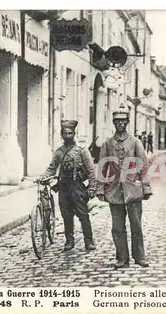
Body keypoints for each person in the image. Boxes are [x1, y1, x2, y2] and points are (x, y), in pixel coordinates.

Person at [96, 110, 152, 268]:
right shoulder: (107, 143)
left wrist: (146, 187)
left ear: (127, 122)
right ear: (114, 123)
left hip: (132, 188)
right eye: (117, 121)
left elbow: (143, 165)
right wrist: (100, 188)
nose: (120, 124)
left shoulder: (135, 142)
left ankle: (139, 256)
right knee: (117, 227)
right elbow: (102, 167)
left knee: (136, 224)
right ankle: (122, 258)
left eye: (123, 121)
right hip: (114, 190)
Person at [42, 120, 97, 251]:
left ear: (74, 133)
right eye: (65, 133)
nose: (67, 136)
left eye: (70, 133)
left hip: (77, 186)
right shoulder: (59, 152)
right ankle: (69, 240)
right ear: (61, 134)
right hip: (63, 186)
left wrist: (92, 187)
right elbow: (52, 168)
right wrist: (44, 177)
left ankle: (89, 241)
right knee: (66, 214)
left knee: (83, 214)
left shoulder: (81, 151)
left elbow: (90, 170)